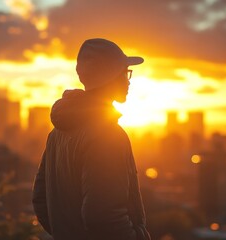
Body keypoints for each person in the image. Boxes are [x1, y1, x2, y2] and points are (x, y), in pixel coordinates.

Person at [32, 38, 151, 240]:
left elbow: (41, 201)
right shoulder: (107, 134)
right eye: (125, 73)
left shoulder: (57, 134)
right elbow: (105, 217)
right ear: (110, 77)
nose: (128, 80)